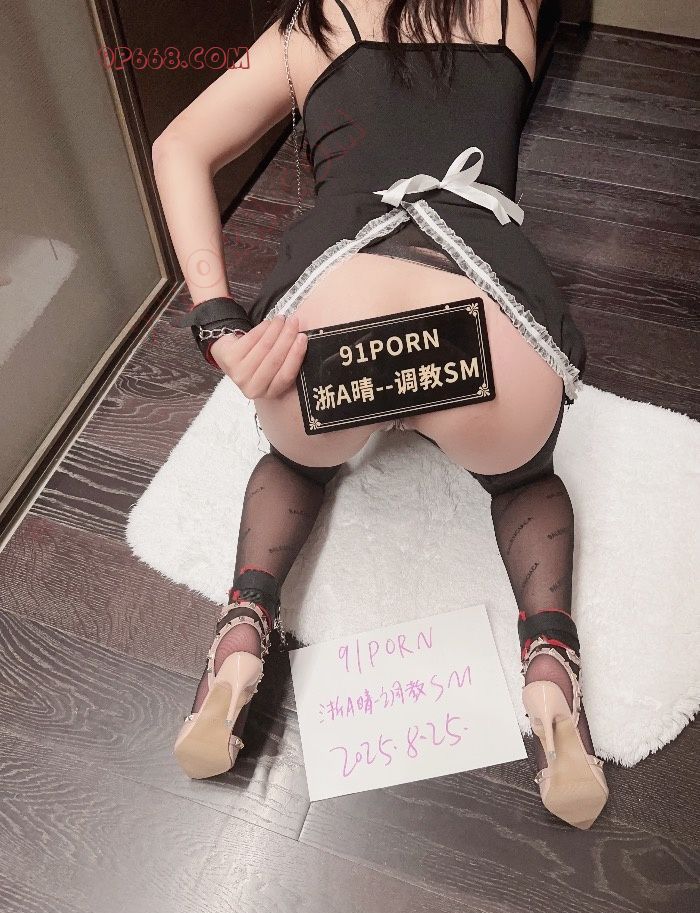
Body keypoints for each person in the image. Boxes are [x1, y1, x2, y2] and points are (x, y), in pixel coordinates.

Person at [153, 0, 608, 829]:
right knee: (524, 482)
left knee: (296, 463)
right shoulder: (513, 8)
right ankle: (551, 668)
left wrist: (217, 320)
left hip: (339, 305)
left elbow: (177, 146)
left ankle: (242, 631)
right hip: (482, 306)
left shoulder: (307, 30)